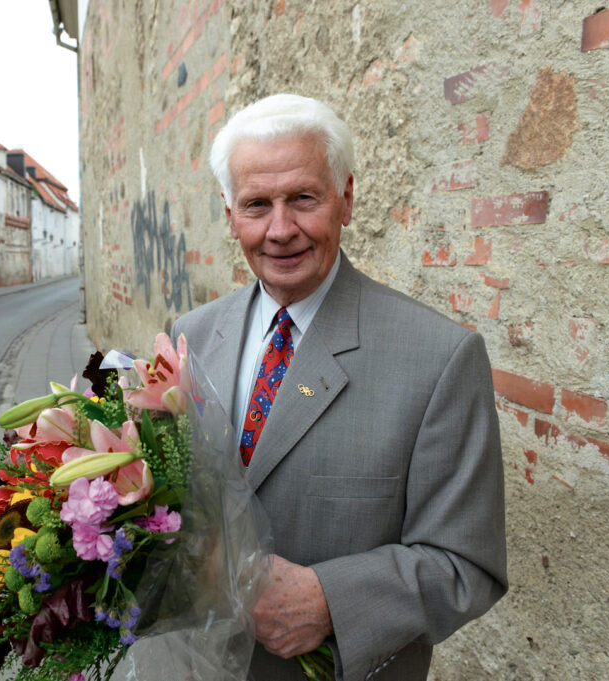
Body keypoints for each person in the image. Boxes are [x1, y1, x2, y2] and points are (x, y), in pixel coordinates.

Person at [171, 94, 507, 681]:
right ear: (229, 216)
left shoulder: (439, 358)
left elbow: (467, 566)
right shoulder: (190, 338)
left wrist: (331, 600)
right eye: (256, 205)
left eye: (303, 198)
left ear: (346, 198)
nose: (280, 230)